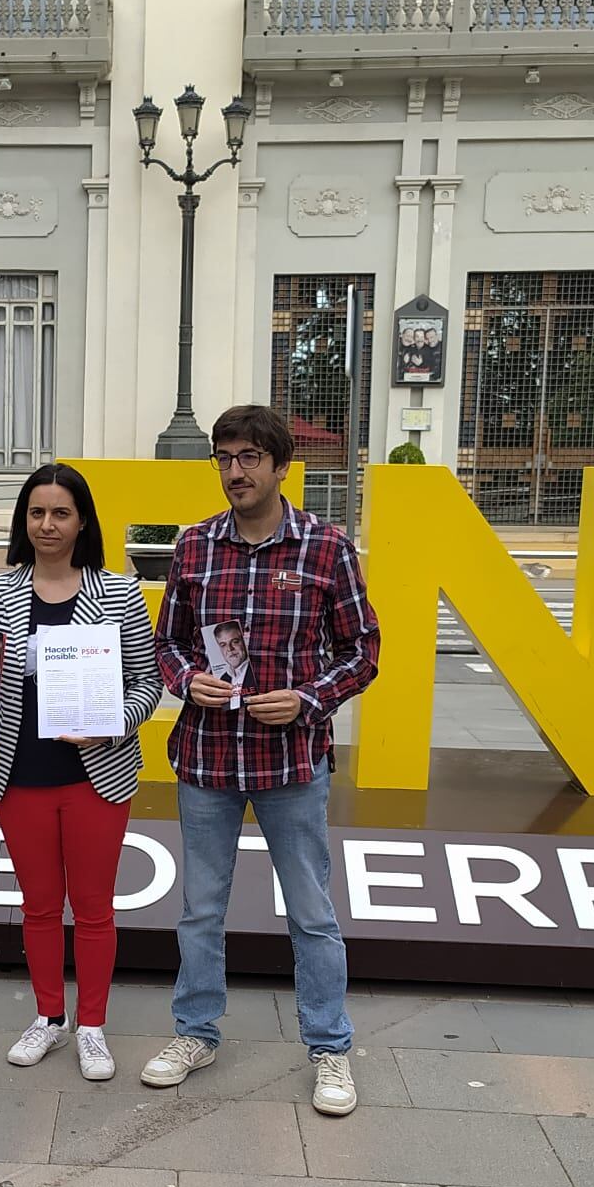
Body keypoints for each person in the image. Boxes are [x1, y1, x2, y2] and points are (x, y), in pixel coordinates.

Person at [147, 403, 380, 1116]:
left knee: (311, 913)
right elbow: (168, 644)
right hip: (208, 758)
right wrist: (189, 681)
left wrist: (309, 700)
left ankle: (330, 1048)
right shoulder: (193, 547)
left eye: (250, 458)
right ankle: (195, 1032)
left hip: (291, 764)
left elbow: (362, 650)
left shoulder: (325, 547)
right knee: (200, 909)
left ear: (281, 466)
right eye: (224, 458)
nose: (235, 471)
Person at [0, 464, 162, 1080]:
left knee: (94, 908)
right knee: (40, 905)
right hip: (19, 774)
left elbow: (148, 685)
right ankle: (48, 1017)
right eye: (37, 513)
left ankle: (92, 1025)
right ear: (25, 520)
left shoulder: (119, 592)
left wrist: (114, 723)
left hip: (97, 774)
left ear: (82, 521)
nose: (47, 525)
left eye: (61, 513)